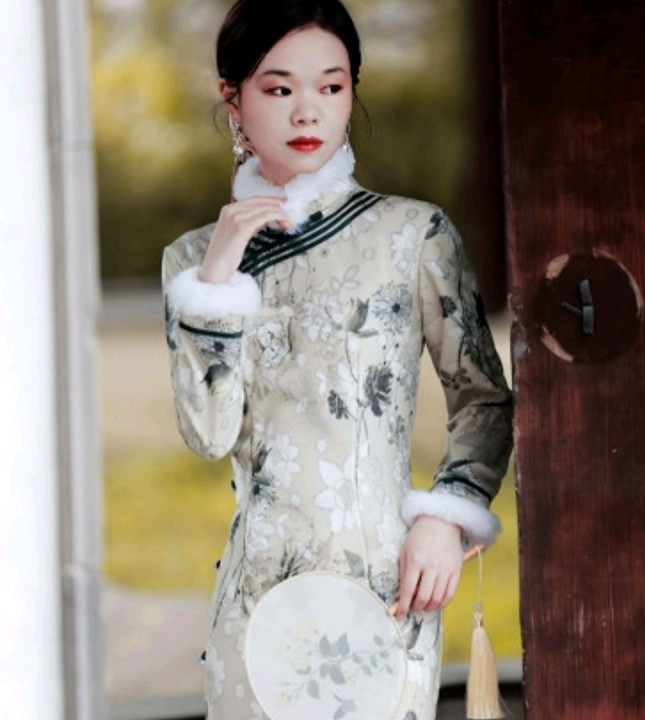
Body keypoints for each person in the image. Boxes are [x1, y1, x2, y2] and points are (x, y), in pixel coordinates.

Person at [162, 1, 513, 718]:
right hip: (255, 606)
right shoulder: (195, 262)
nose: (308, 112)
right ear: (233, 98)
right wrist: (217, 283)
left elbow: (483, 398)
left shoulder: (413, 235)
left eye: (331, 86)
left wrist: (446, 517)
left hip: (383, 591)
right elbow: (209, 435)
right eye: (279, 88)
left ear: (353, 91)